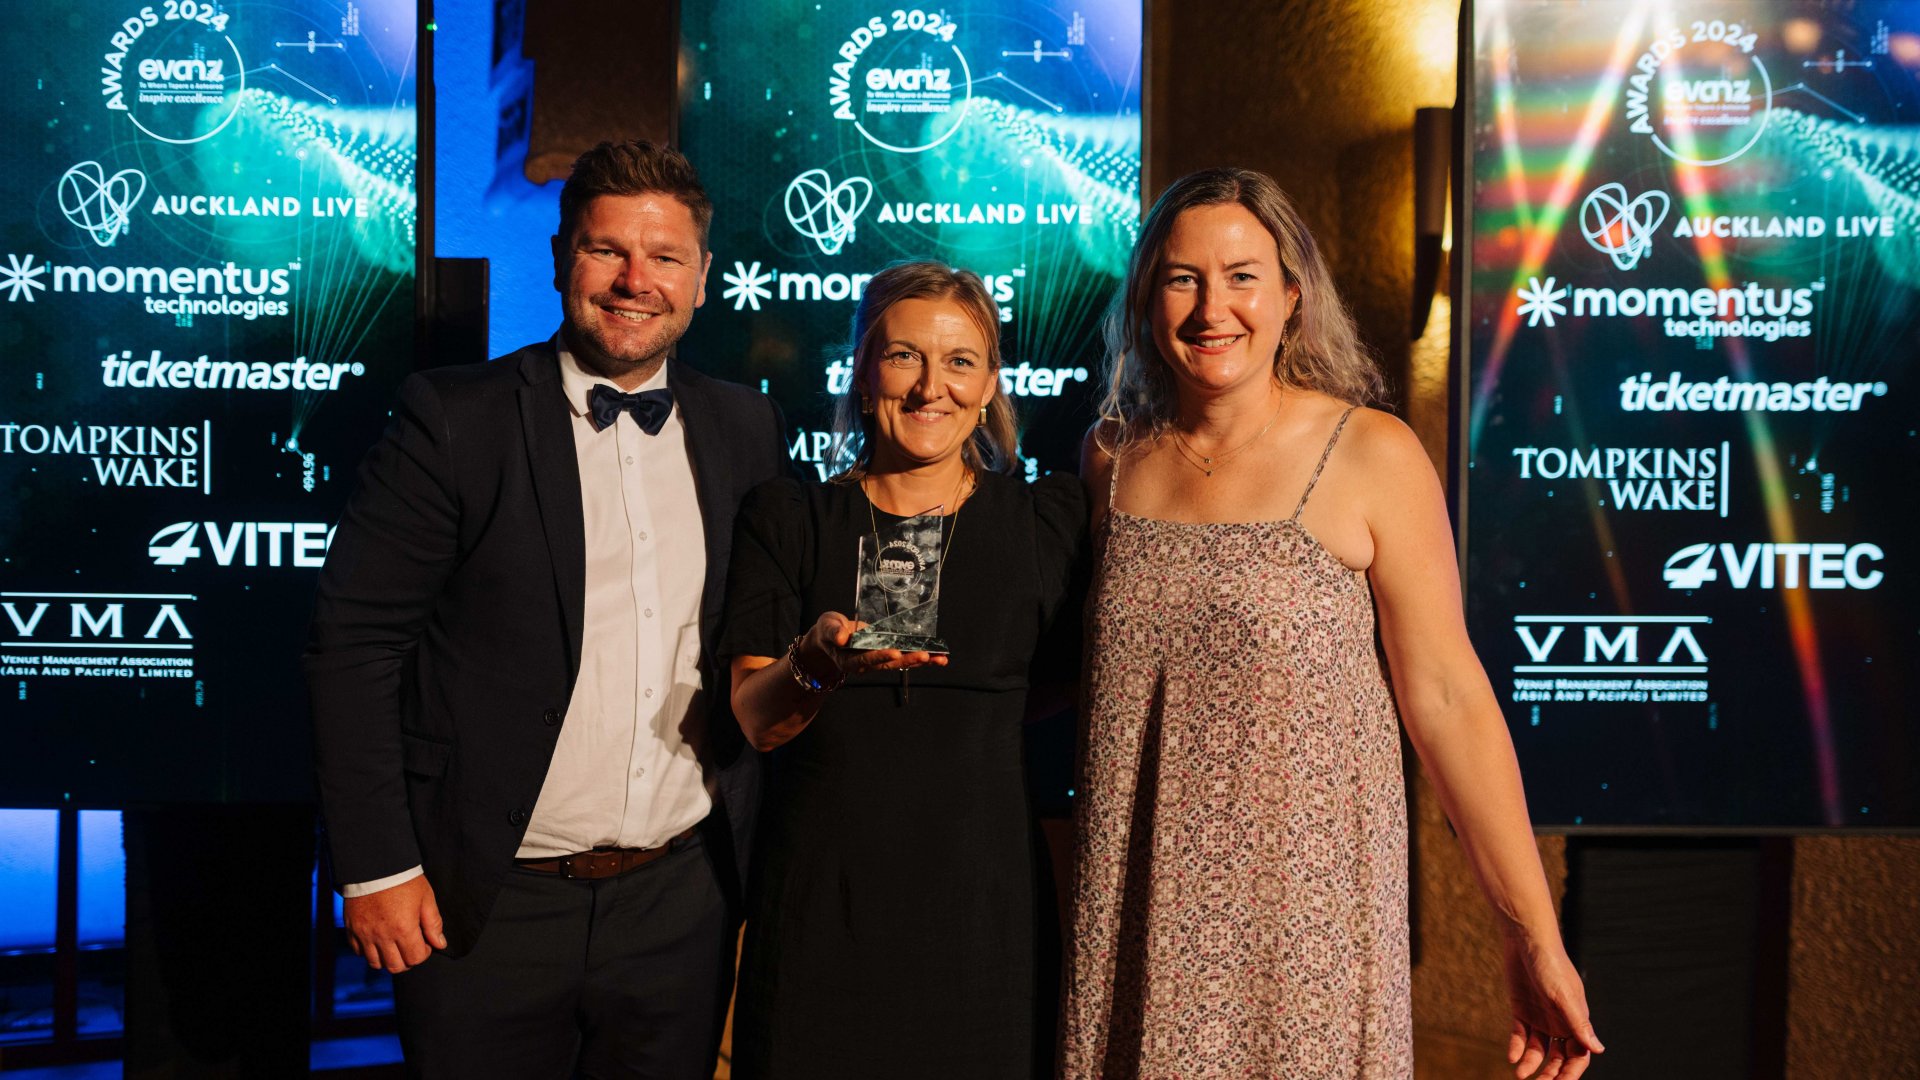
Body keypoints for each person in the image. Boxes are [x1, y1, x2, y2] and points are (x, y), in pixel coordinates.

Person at [1062, 167, 1604, 1080]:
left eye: (1241, 275)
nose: (1212, 308)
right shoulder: (1111, 457)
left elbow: (1446, 698)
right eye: (1182, 278)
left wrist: (1531, 935)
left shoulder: (1369, 452)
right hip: (1134, 923)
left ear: (1291, 294)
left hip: (1301, 936)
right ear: (1149, 296)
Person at [304, 140, 789, 1078]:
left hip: (679, 900)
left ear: (702, 278)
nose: (634, 281)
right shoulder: (455, 419)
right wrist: (376, 866)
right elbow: (352, 646)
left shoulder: (747, 428)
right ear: (563, 256)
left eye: (665, 258)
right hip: (482, 903)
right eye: (608, 250)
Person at [721, 261, 1085, 1078]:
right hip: (825, 905)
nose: (932, 387)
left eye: (960, 361)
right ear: (861, 368)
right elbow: (755, 718)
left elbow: (1062, 688)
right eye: (903, 357)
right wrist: (815, 664)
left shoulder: (1044, 524)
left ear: (992, 381)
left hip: (985, 912)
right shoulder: (790, 519)